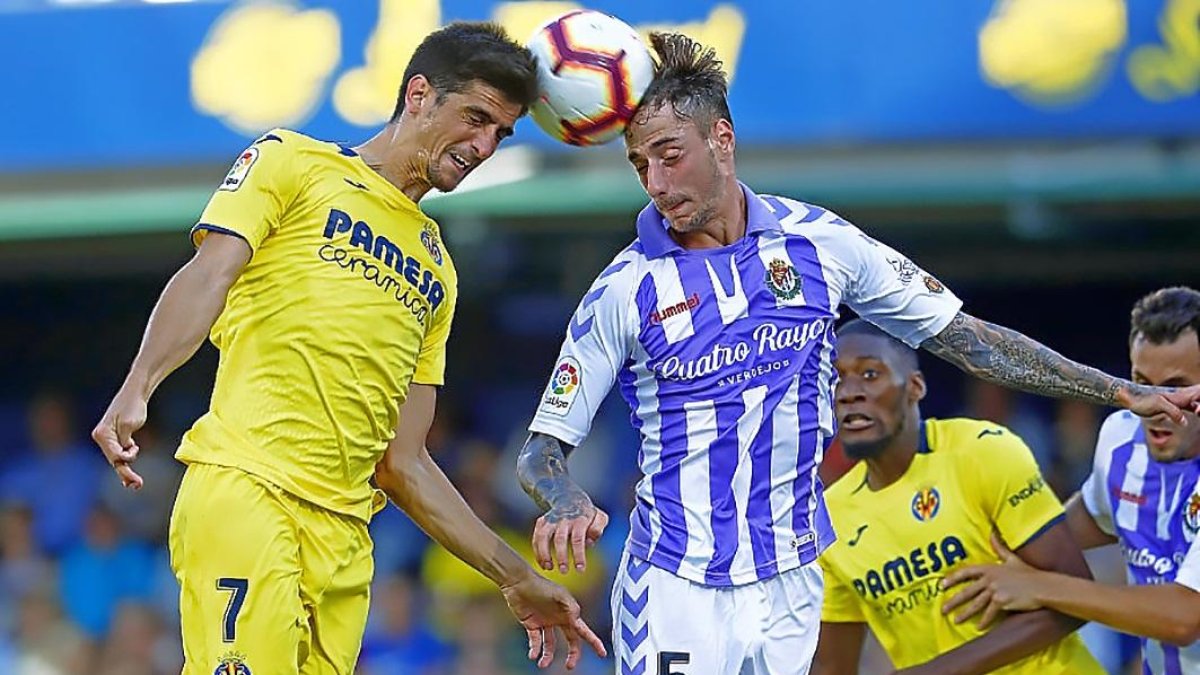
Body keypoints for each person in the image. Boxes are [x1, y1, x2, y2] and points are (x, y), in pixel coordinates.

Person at [513, 32, 1200, 675]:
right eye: (640, 165)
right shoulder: (623, 289)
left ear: (722, 139)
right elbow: (540, 449)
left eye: (670, 155)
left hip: (794, 578)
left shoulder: (822, 244)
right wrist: (566, 495)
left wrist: (1116, 391)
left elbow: (971, 339)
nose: (657, 184)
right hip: (674, 580)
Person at [90, 22, 604, 675]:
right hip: (249, 489)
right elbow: (209, 273)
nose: (483, 145)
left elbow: (405, 462)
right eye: (475, 117)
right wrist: (141, 382)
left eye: (500, 133)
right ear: (418, 94)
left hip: (344, 543)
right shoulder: (292, 162)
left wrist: (512, 575)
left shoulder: (438, 270)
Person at [814, 319, 1102, 675]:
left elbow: (1078, 598)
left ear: (915, 387)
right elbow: (832, 667)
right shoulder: (829, 518)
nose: (848, 392)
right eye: (835, 378)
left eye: (870, 374)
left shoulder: (983, 452)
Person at [941, 286, 1200, 673]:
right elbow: (1082, 520)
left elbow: (1184, 617)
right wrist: (998, 546)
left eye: (1176, 387)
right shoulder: (1120, 437)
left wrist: (1039, 585)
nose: (1156, 403)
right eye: (1141, 382)